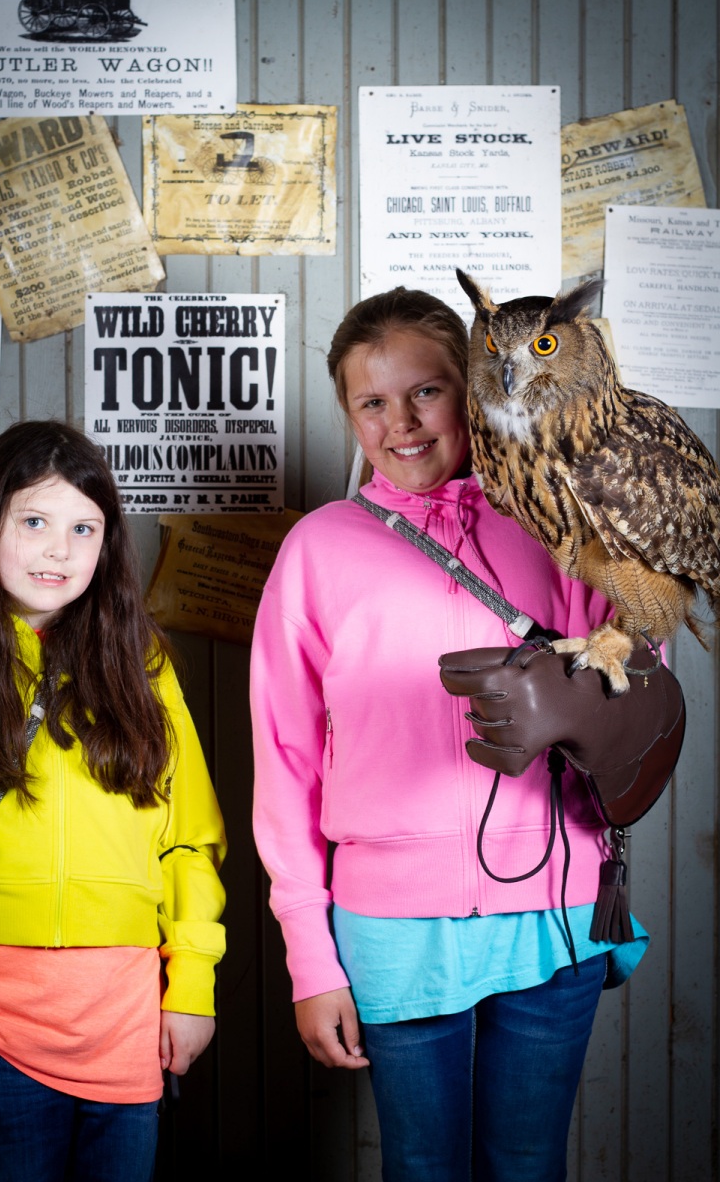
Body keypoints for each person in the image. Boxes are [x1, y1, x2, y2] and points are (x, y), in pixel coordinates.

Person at [250, 288, 656, 1181]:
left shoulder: (556, 522)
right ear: (350, 414)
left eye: (427, 391)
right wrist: (311, 957)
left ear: (474, 388)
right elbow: (284, 764)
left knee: (527, 1163)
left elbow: (632, 675)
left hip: (555, 905)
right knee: (422, 1165)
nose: (401, 422)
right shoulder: (317, 550)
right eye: (372, 401)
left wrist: (626, 536)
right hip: (391, 924)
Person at [0, 420, 226, 1182]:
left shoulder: (142, 664)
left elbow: (188, 841)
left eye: (83, 528)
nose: (58, 550)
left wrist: (192, 986)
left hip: (127, 1021)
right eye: (34, 522)